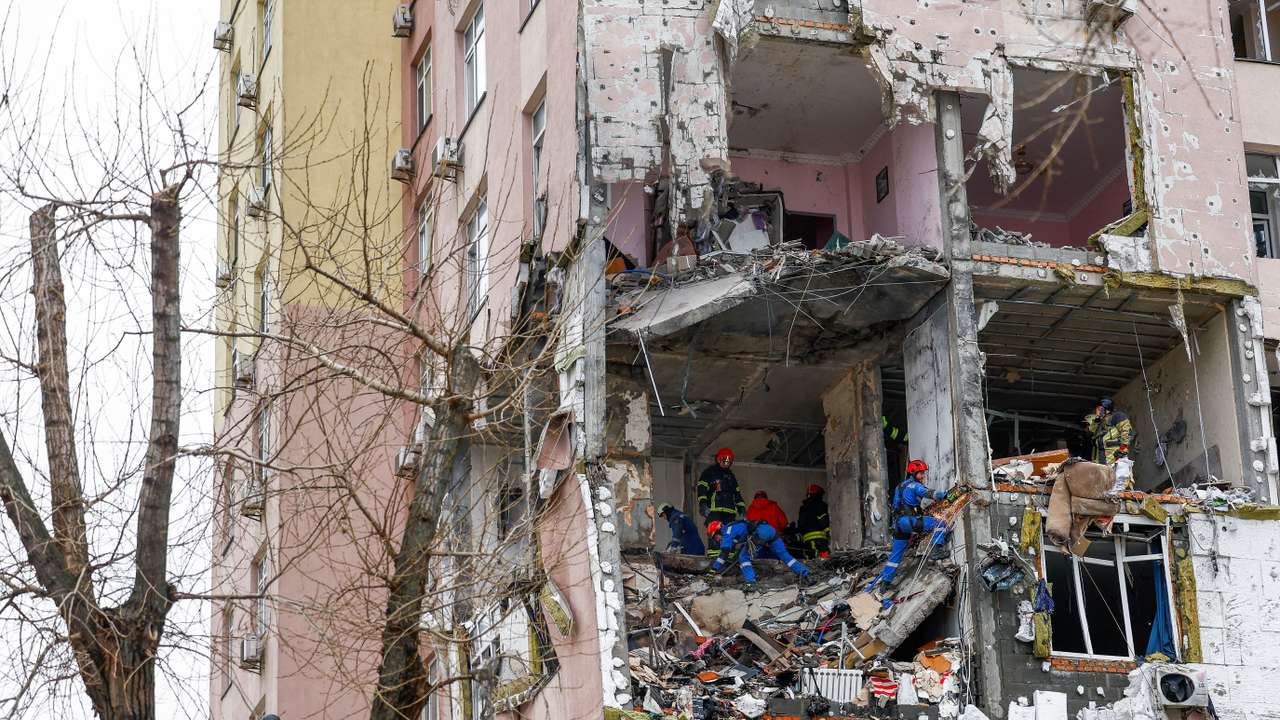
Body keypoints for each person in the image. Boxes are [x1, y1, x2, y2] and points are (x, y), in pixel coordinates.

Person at [866, 459, 953, 591]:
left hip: (898, 524)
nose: (923, 476)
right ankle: (936, 551)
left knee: (895, 555)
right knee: (939, 523)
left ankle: (885, 584)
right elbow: (931, 494)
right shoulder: (915, 485)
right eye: (921, 473)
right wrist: (947, 494)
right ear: (913, 473)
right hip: (909, 521)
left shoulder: (900, 486)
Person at [706, 519, 809, 592]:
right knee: (785, 556)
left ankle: (751, 583)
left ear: (718, 531)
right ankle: (805, 574)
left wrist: (713, 570)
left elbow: (724, 553)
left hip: (760, 533)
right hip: (769, 529)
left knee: (743, 557)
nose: (717, 540)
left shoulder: (726, 532)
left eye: (715, 537)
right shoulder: (733, 527)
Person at [697, 448, 746, 558]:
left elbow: (737, 494)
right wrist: (703, 504)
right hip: (715, 510)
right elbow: (701, 488)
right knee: (715, 536)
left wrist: (741, 509)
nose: (726, 463)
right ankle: (714, 562)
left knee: (731, 536)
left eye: (728, 461)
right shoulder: (710, 472)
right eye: (724, 460)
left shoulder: (731, 476)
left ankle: (729, 562)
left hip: (730, 512)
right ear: (718, 459)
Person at [1085, 397, 1132, 465]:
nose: (1097, 412)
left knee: (1120, 474)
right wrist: (1096, 421)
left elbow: (1127, 433)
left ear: (1107, 409)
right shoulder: (1100, 423)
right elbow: (1090, 433)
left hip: (1116, 459)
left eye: (1099, 409)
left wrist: (1122, 450)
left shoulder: (1118, 416)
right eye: (1096, 409)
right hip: (1101, 460)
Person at [796, 484, 831, 559]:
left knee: (811, 562)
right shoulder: (821, 505)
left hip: (806, 541)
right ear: (819, 494)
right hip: (819, 540)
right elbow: (823, 521)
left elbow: (800, 524)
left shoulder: (803, 508)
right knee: (825, 560)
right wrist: (829, 533)